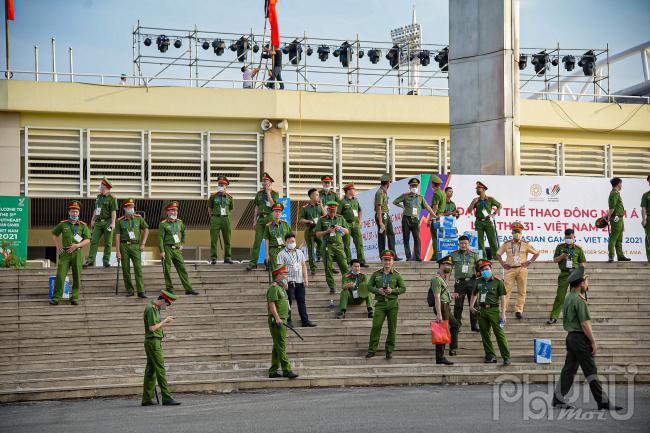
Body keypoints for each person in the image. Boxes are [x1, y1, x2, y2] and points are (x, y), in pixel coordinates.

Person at [552, 265, 623, 411]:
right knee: (591, 370)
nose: (587, 284)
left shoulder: (569, 298)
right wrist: (593, 341)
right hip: (579, 339)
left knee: (569, 370)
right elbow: (585, 324)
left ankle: (558, 399)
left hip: (571, 338)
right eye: (586, 281)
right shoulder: (579, 300)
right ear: (581, 283)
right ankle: (603, 401)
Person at [141, 289, 181, 406]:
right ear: (162, 300)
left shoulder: (154, 308)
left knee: (151, 370)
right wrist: (165, 321)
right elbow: (152, 328)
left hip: (152, 342)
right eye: (167, 304)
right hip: (153, 342)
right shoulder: (151, 308)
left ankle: (147, 398)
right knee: (160, 369)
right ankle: (166, 397)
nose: (167, 306)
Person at [366, 249, 406, 359]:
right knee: (376, 326)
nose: (387, 262)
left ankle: (389, 350)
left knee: (392, 328)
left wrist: (393, 291)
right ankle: (371, 350)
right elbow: (369, 287)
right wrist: (377, 290)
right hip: (380, 304)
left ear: (392, 261)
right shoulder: (376, 274)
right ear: (382, 261)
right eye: (385, 260)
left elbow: (403, 288)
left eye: (389, 260)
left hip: (392, 304)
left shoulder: (397, 275)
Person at [495, 221, 540, 319]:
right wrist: (502, 263)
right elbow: (498, 254)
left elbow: (536, 253)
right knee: (505, 291)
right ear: (511, 232)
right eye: (515, 231)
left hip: (522, 269)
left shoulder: (525, 244)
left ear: (521, 233)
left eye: (518, 231)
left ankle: (519, 310)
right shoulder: (506, 244)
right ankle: (503, 310)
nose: (516, 233)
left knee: (522, 291)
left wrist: (530, 261)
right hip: (510, 269)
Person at [470, 259, 511, 365]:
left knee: (499, 334)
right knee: (485, 335)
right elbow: (474, 294)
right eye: (483, 270)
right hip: (481, 310)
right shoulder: (478, 281)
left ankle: (506, 357)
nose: (485, 271)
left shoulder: (498, 282)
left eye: (487, 269)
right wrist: (471, 306)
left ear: (491, 269)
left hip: (494, 310)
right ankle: (490, 356)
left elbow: (503, 298)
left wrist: (503, 313)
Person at [50, 201, 91, 305]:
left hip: (77, 253)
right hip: (65, 253)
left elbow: (88, 240)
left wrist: (77, 245)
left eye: (76, 211)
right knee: (60, 275)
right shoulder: (63, 224)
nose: (74, 214)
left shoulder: (83, 226)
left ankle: (74, 297)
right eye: (72, 211)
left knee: (77, 275)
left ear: (79, 213)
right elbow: (54, 234)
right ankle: (56, 297)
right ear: (69, 212)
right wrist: (58, 246)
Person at [547, 229, 587, 325]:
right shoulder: (560, 247)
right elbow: (555, 260)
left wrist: (581, 275)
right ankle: (554, 317)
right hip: (564, 274)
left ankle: (578, 317)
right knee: (560, 296)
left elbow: (582, 263)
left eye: (570, 238)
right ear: (564, 237)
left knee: (576, 297)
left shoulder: (578, 249)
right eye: (567, 238)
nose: (568, 239)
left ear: (574, 237)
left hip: (575, 273)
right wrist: (562, 256)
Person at [158, 201, 199, 296]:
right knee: (167, 270)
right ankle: (169, 288)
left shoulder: (180, 222)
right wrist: (162, 251)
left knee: (182, 269)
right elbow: (160, 238)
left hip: (177, 249)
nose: (174, 212)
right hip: (167, 248)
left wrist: (182, 243)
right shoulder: (163, 224)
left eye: (176, 210)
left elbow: (184, 232)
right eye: (172, 210)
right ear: (167, 212)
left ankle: (188, 288)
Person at [276, 233, 316, 327]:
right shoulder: (281, 254)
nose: (292, 243)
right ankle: (288, 321)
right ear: (285, 242)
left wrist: (305, 278)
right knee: (288, 302)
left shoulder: (300, 252)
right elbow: (280, 270)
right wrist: (284, 282)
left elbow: (303, 265)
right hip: (288, 282)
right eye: (289, 241)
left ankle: (305, 321)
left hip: (300, 281)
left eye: (293, 241)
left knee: (302, 302)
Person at [266, 265, 298, 379]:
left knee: (277, 346)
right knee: (281, 345)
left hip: (282, 318)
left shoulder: (281, 288)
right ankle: (287, 370)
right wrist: (277, 317)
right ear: (278, 276)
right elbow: (272, 303)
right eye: (284, 275)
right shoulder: (274, 288)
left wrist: (285, 286)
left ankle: (273, 370)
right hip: (277, 320)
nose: (286, 277)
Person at [450, 235, 481, 352]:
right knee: (458, 305)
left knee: (474, 304)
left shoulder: (474, 255)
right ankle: (457, 324)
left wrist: (480, 280)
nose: (464, 245)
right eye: (462, 243)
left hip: (472, 282)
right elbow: (448, 267)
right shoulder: (453, 254)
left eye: (466, 243)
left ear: (468, 244)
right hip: (459, 283)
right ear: (459, 244)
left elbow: (479, 269)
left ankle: (474, 324)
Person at [392, 177, 435, 261]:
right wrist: (402, 206)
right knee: (406, 238)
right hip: (406, 219)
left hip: (415, 220)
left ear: (418, 187)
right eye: (412, 186)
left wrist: (434, 214)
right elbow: (395, 202)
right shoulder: (405, 195)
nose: (414, 188)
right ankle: (408, 257)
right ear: (410, 187)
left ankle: (418, 257)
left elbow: (428, 207)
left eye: (415, 186)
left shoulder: (420, 198)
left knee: (417, 238)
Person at [115, 198, 149, 299]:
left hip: (136, 245)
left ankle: (141, 291)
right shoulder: (119, 221)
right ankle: (129, 290)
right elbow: (117, 236)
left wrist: (143, 243)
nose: (131, 208)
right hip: (124, 246)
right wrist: (117, 251)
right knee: (126, 269)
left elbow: (146, 230)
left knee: (138, 268)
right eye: (129, 207)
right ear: (125, 208)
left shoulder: (139, 218)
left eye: (132, 207)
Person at [315, 201, 351, 294]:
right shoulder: (322, 219)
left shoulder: (340, 218)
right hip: (327, 245)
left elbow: (347, 231)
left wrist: (340, 228)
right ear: (327, 210)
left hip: (338, 245)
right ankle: (332, 286)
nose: (332, 213)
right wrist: (327, 231)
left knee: (344, 266)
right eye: (330, 211)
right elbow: (317, 234)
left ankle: (346, 284)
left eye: (334, 211)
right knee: (328, 267)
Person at [247, 173, 279, 271]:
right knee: (257, 241)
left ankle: (269, 263)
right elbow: (256, 207)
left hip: (270, 217)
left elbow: (274, 206)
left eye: (266, 181)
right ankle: (253, 263)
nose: (264, 183)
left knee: (270, 241)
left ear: (270, 183)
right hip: (260, 219)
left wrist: (268, 193)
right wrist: (254, 220)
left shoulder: (274, 193)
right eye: (263, 181)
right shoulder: (259, 194)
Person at [84, 177, 118, 268]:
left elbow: (113, 211)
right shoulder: (98, 197)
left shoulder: (112, 198)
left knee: (108, 242)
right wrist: (92, 219)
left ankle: (106, 261)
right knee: (94, 241)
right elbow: (96, 209)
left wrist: (113, 222)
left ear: (106, 187)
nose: (100, 186)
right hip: (98, 222)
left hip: (108, 222)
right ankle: (90, 260)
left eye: (102, 185)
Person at [430, 255, 456, 365]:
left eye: (450, 265)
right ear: (440, 266)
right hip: (442, 306)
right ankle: (440, 357)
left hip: (446, 305)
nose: (448, 266)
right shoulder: (436, 280)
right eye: (446, 264)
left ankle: (452, 347)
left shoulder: (443, 279)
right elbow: (436, 297)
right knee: (442, 331)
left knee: (455, 324)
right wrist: (439, 314)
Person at [467, 181, 502, 260]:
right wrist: (473, 203)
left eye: (479, 188)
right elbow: (469, 211)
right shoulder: (476, 200)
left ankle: (496, 258)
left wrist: (494, 213)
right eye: (477, 188)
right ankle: (483, 258)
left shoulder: (490, 199)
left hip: (488, 221)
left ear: (483, 189)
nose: (477, 190)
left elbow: (500, 206)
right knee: (480, 241)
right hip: (478, 222)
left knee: (492, 240)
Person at [339, 183, 367, 267]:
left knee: (359, 242)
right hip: (346, 224)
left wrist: (360, 221)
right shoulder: (342, 202)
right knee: (346, 244)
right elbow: (338, 214)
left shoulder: (355, 200)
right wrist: (342, 225)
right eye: (353, 189)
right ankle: (348, 261)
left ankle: (361, 261)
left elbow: (360, 210)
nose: (354, 191)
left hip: (355, 224)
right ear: (348, 191)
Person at [208, 176, 234, 265]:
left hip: (226, 218)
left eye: (223, 184)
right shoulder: (213, 196)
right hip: (215, 218)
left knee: (227, 239)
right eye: (219, 184)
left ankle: (227, 257)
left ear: (226, 186)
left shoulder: (230, 198)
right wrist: (212, 217)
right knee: (214, 239)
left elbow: (230, 208)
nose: (221, 186)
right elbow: (209, 208)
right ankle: (213, 258)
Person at [299, 188, 324, 276]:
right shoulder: (305, 208)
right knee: (310, 249)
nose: (318, 197)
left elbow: (325, 216)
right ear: (311, 196)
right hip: (310, 230)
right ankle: (313, 268)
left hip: (319, 231)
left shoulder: (319, 206)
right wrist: (308, 221)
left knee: (323, 246)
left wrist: (321, 205)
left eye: (318, 195)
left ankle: (326, 263)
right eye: (316, 195)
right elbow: (301, 219)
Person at [375, 173, 400, 260]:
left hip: (386, 214)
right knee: (382, 236)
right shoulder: (380, 192)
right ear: (388, 183)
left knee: (391, 234)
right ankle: (382, 256)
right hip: (382, 215)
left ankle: (393, 255)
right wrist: (381, 222)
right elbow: (378, 207)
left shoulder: (384, 192)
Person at [607, 177, 631, 262]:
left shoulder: (616, 193)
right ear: (618, 184)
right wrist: (608, 217)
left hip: (620, 218)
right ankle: (611, 256)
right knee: (613, 237)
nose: (621, 185)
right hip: (616, 218)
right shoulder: (613, 194)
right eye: (621, 183)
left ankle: (620, 256)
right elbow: (612, 208)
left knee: (619, 238)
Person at [264, 203, 291, 271]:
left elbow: (290, 238)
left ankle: (283, 282)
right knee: (276, 271)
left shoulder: (285, 224)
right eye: (276, 211)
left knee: (284, 271)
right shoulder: (268, 226)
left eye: (279, 212)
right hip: (273, 251)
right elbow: (267, 241)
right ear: (272, 213)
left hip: (284, 249)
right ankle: (275, 282)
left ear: (281, 214)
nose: (278, 213)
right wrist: (267, 255)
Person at [428, 175, 447, 260]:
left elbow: (435, 207)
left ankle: (436, 256)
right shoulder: (442, 193)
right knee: (440, 237)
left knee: (435, 237)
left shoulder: (436, 193)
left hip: (436, 218)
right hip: (442, 217)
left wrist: (430, 219)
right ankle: (439, 255)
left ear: (433, 184)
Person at [642, 175, 650, 262]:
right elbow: (643, 208)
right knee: (648, 238)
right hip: (649, 218)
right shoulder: (646, 195)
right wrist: (644, 219)